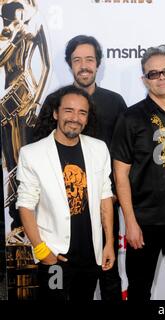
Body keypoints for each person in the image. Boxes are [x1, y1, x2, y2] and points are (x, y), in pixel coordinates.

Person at [34, 35, 127, 300]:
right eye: (77, 60)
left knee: (108, 278)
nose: (83, 65)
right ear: (70, 64)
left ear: (98, 63)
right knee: (58, 281)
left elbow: (126, 152)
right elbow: (37, 153)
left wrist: (119, 191)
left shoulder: (115, 102)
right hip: (60, 209)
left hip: (103, 203)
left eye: (89, 59)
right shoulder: (54, 101)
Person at [111, 45, 165, 300]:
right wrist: (130, 222)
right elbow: (120, 175)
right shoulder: (130, 118)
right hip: (145, 221)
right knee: (139, 288)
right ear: (144, 80)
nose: (161, 77)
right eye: (153, 74)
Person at [16, 85, 115, 300]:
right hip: (55, 257)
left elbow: (105, 197)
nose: (75, 118)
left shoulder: (99, 148)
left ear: (87, 119)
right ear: (56, 113)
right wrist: (43, 252)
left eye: (82, 112)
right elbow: (25, 205)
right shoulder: (32, 154)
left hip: (92, 256)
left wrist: (108, 244)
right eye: (69, 110)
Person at [1, 0, 50, 230]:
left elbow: (47, 66)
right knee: (10, 160)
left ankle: (26, 218)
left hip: (27, 96)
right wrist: (10, 37)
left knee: (26, 159)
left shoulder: (37, 26)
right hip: (5, 100)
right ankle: (15, 218)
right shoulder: (6, 32)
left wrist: (37, 102)